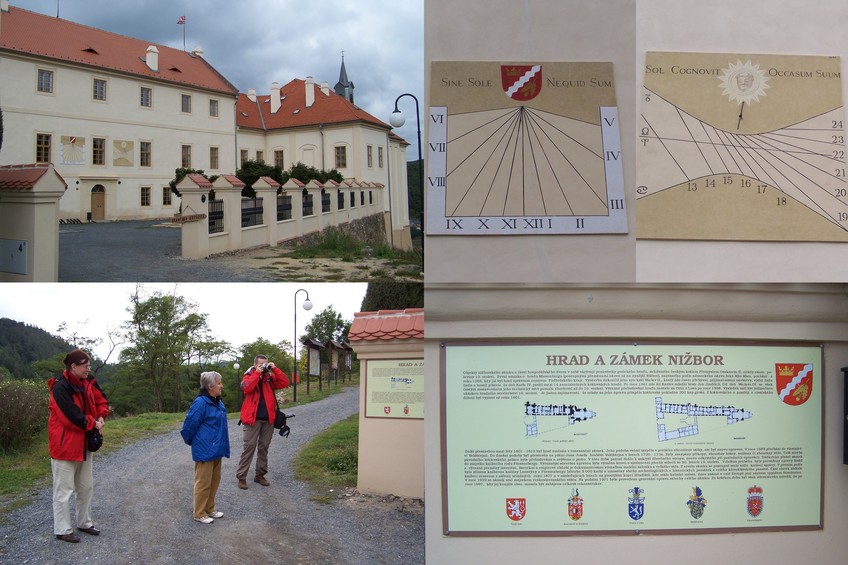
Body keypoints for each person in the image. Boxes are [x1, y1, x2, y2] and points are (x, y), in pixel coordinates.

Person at [48, 349, 109, 543]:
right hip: (65, 447)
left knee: (85, 487)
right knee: (63, 490)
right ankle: (62, 529)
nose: (88, 369)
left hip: (84, 445)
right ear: (73, 366)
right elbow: (70, 417)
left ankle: (84, 522)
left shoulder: (88, 381)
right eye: (85, 365)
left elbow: (101, 400)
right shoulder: (60, 387)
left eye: (89, 365)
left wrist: (101, 416)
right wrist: (94, 424)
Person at [180, 371, 230, 524]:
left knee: (214, 480)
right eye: (219, 383)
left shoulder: (217, 401)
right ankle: (199, 513)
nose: (221, 385)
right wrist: (195, 444)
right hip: (205, 449)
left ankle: (210, 508)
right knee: (203, 482)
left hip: (217, 448)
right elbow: (189, 425)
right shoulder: (201, 402)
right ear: (210, 386)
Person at [235, 355, 289, 489]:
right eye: (261, 364)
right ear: (255, 364)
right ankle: (242, 477)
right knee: (249, 447)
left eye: (266, 364)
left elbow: (284, 382)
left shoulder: (269, 378)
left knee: (264, 447)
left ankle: (260, 475)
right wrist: (257, 373)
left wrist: (274, 369)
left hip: (268, 420)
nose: (264, 366)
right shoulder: (248, 375)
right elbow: (247, 388)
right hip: (252, 419)